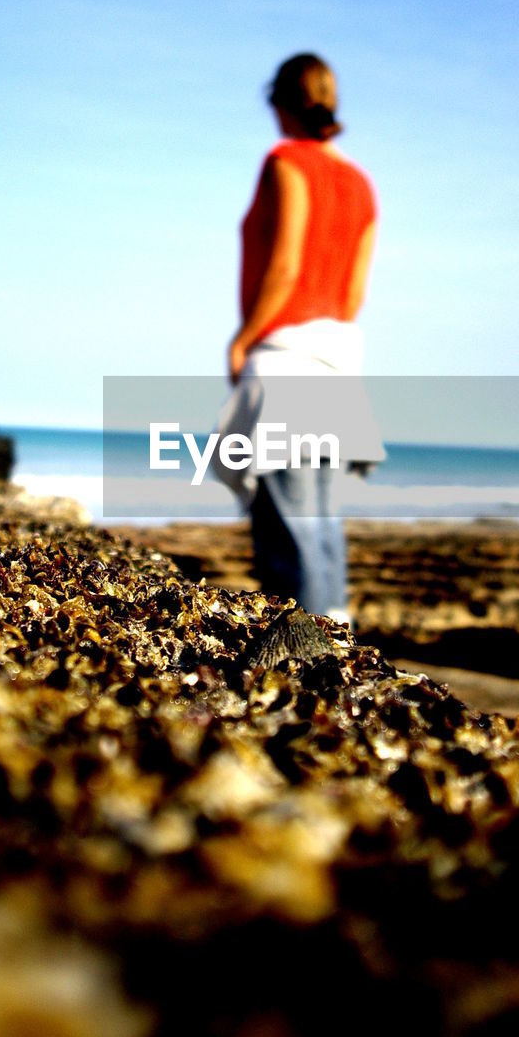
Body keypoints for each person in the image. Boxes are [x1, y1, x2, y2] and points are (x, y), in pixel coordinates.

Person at [214, 53, 383, 623]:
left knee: (289, 533)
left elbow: (284, 266)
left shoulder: (285, 162)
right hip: (336, 357)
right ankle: (341, 658)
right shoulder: (362, 184)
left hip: (286, 357)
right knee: (323, 527)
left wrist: (244, 337)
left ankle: (311, 670)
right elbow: (356, 293)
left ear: (282, 103)